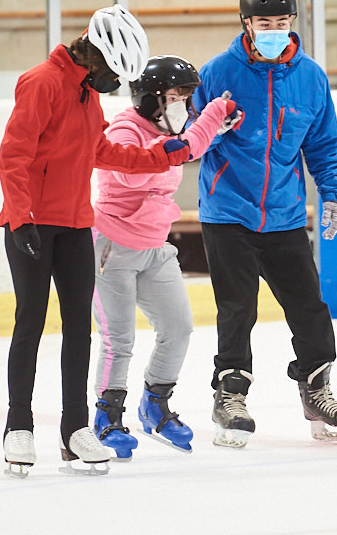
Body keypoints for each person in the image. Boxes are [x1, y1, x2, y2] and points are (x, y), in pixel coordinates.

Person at [0, 5, 193, 477]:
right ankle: (18, 426)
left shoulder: (87, 95)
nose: (111, 83)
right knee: (30, 323)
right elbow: (13, 154)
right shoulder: (41, 82)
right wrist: (21, 219)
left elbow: (100, 151)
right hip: (33, 225)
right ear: (95, 52)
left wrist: (160, 157)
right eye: (110, 71)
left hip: (76, 226)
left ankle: (74, 430)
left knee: (79, 331)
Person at [191, 0, 337, 448]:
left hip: (284, 215)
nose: (274, 30)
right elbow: (189, 139)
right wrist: (214, 126)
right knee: (237, 309)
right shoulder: (218, 72)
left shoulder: (310, 77)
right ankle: (231, 393)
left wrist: (332, 194)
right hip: (228, 212)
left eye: (282, 23)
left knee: (309, 307)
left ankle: (317, 387)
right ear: (246, 23)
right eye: (265, 22)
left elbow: (323, 145)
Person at [89, 55, 240, 459]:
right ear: (149, 100)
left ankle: (154, 404)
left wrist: (215, 122)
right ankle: (106, 416)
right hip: (111, 248)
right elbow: (132, 172)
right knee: (118, 341)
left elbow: (190, 146)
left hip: (155, 248)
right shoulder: (125, 128)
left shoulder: (173, 128)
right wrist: (204, 121)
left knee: (179, 329)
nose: (183, 107)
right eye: (176, 97)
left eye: (188, 99)